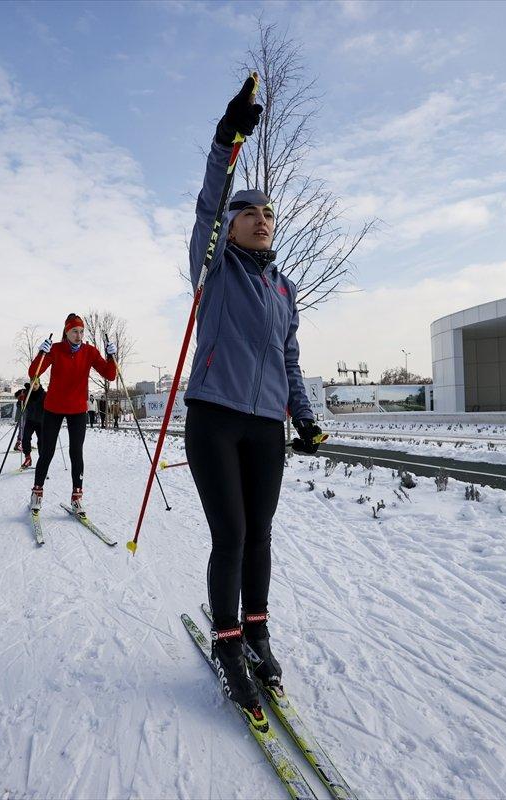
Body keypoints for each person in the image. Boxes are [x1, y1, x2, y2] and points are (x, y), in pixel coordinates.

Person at [183, 77, 324, 717]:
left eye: (268, 213)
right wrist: (226, 136)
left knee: (261, 534)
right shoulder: (213, 269)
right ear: (231, 225)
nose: (261, 219)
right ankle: (228, 640)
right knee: (232, 534)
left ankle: (258, 630)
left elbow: (288, 358)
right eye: (250, 212)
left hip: (267, 426)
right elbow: (207, 205)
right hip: (215, 418)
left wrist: (306, 417)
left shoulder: (285, 291)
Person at [27, 313, 117, 514]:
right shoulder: (56, 349)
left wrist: (111, 356)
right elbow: (34, 373)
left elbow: (110, 375)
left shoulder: (90, 352)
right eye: (74, 331)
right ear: (66, 332)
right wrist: (41, 354)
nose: (78, 335)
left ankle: (77, 497)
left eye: (81, 332)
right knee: (47, 452)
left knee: (76, 452)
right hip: (53, 408)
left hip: (77, 409)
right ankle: (37, 493)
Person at [20, 381, 45, 468]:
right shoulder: (27, 394)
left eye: (35, 384)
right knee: (25, 439)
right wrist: (21, 400)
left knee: (41, 441)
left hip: (41, 421)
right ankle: (28, 458)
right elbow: (21, 406)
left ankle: (42, 462)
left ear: (39, 384)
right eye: (32, 384)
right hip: (30, 420)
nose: (33, 386)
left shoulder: (44, 394)